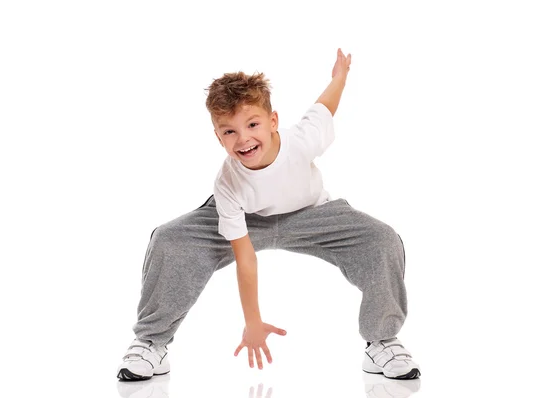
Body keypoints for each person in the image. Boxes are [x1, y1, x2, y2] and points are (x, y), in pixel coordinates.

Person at [116, 48, 420, 382]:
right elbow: (246, 259)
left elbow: (325, 106)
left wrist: (340, 76)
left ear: (273, 121)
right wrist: (253, 322)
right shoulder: (228, 183)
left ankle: (382, 339)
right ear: (218, 137)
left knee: (382, 240)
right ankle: (151, 342)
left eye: (252, 124)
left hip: (312, 216)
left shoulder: (302, 141)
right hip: (248, 219)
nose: (243, 138)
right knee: (169, 239)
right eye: (229, 131)